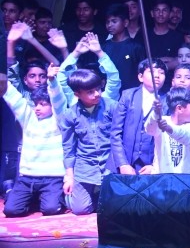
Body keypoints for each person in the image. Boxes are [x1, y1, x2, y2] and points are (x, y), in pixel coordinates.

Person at [1, 70, 64, 216]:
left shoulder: (59, 121)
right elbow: (14, 98)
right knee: (11, 210)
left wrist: (52, 81)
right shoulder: (28, 118)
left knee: (50, 209)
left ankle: (47, 198)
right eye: (36, 104)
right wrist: (3, 79)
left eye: (43, 104)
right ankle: (20, 194)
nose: (37, 108)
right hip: (27, 178)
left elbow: (58, 101)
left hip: (52, 178)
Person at [59, 68, 118, 214]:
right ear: (77, 94)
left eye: (98, 89)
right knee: (80, 209)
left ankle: (101, 193)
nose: (97, 94)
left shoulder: (112, 106)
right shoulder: (69, 114)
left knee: (115, 208)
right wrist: (69, 177)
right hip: (85, 166)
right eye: (90, 92)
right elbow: (68, 148)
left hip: (110, 163)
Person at [111, 60, 167, 175]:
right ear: (140, 77)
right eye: (152, 72)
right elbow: (116, 132)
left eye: (161, 73)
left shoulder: (167, 101)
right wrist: (122, 163)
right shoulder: (128, 96)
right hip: (126, 163)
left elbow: (168, 139)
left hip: (151, 165)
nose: (157, 75)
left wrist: (155, 166)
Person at [145, 87, 190, 174]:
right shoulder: (162, 120)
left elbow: (185, 136)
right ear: (179, 108)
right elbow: (150, 130)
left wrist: (168, 128)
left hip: (187, 178)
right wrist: (156, 113)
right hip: (162, 177)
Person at [102, 4, 146, 93]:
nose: (109, 25)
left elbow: (143, 71)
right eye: (107, 22)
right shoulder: (104, 47)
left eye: (114, 21)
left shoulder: (136, 47)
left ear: (125, 23)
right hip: (109, 94)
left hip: (131, 94)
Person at [146, 0, 184, 73]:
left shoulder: (177, 37)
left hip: (171, 79)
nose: (160, 14)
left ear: (169, 14)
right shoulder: (144, 35)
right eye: (157, 10)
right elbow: (140, 60)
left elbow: (181, 59)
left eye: (164, 10)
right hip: (148, 77)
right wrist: (167, 59)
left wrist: (159, 63)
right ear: (152, 13)